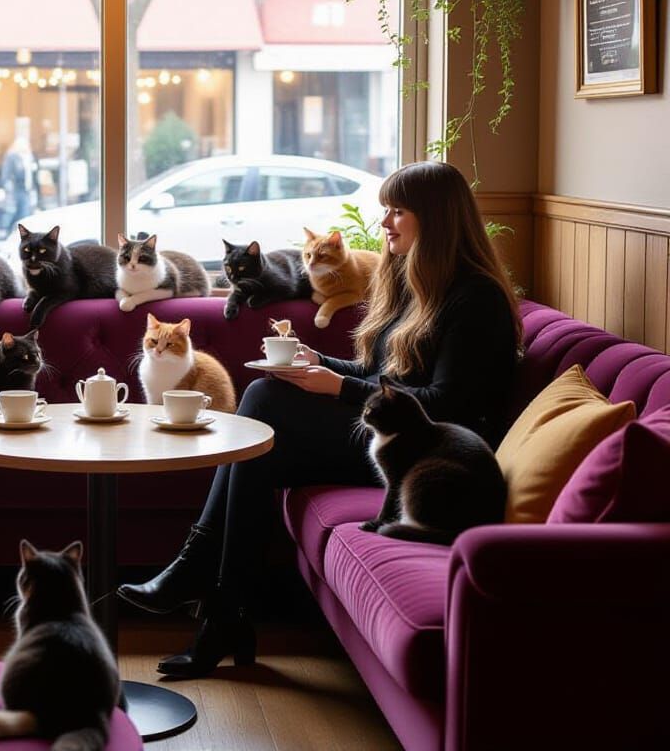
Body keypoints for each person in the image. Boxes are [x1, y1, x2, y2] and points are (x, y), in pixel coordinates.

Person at [117, 160, 522, 678]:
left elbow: (447, 406)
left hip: (427, 458)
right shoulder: (414, 281)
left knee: (263, 404)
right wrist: (317, 362)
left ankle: (202, 584)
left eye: (397, 211)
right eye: (385, 211)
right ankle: (220, 613)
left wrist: (340, 387)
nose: (385, 223)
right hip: (392, 440)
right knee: (261, 438)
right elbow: (382, 375)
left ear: (437, 218)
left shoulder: (475, 298)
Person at [0, 139, 37, 233]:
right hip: (16, 189)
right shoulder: (12, 157)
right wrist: (7, 186)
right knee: (21, 212)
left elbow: (33, 174)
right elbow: (6, 173)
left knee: (21, 212)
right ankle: (12, 231)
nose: (26, 147)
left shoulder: (29, 157)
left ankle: (11, 231)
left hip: (27, 189)